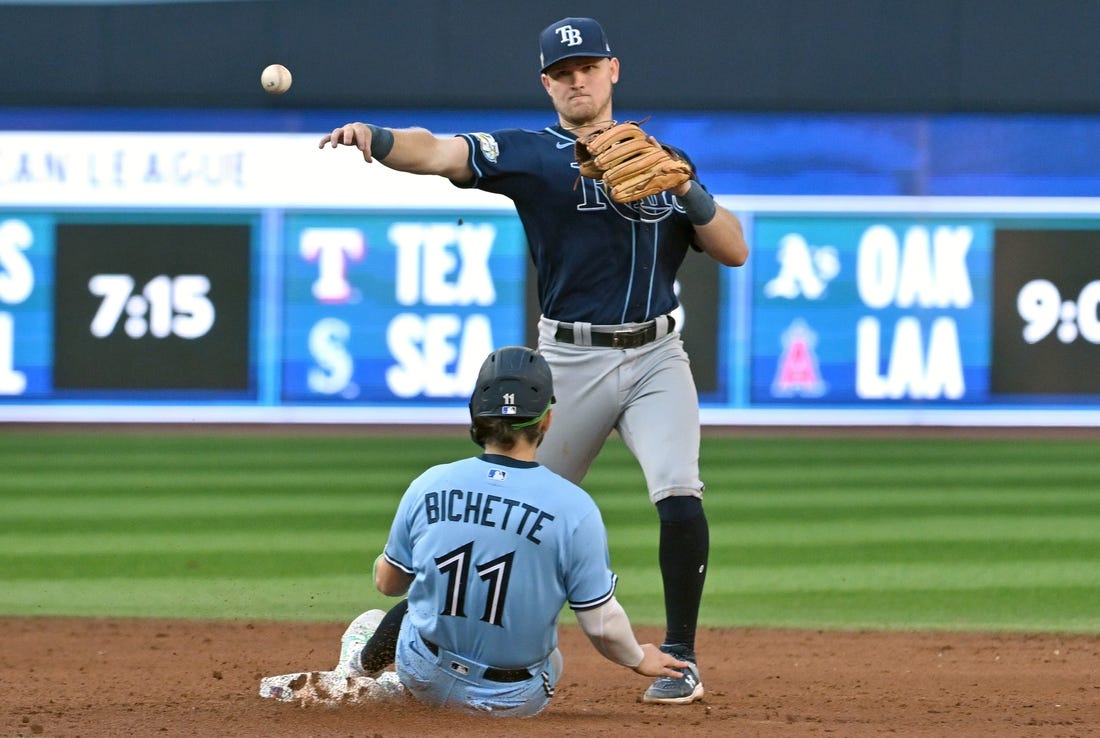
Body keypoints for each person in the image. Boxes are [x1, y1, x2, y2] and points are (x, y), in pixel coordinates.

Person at [319, 16, 749, 704]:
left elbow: (732, 249)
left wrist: (689, 191)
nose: (577, 80)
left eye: (588, 67)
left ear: (613, 71)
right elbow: (440, 152)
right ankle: (381, 642)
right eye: (562, 72)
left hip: (658, 356)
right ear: (548, 84)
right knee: (500, 513)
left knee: (679, 491)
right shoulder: (533, 152)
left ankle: (681, 657)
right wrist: (380, 139)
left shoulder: (665, 159)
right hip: (571, 362)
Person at [335, 346, 688, 717]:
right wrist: (638, 658)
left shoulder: (430, 483)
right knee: (550, 653)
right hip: (509, 702)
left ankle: (361, 674)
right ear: (547, 420)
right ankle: (404, 687)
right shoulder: (574, 507)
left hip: (421, 671)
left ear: (476, 414)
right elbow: (601, 624)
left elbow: (388, 584)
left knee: (397, 611)